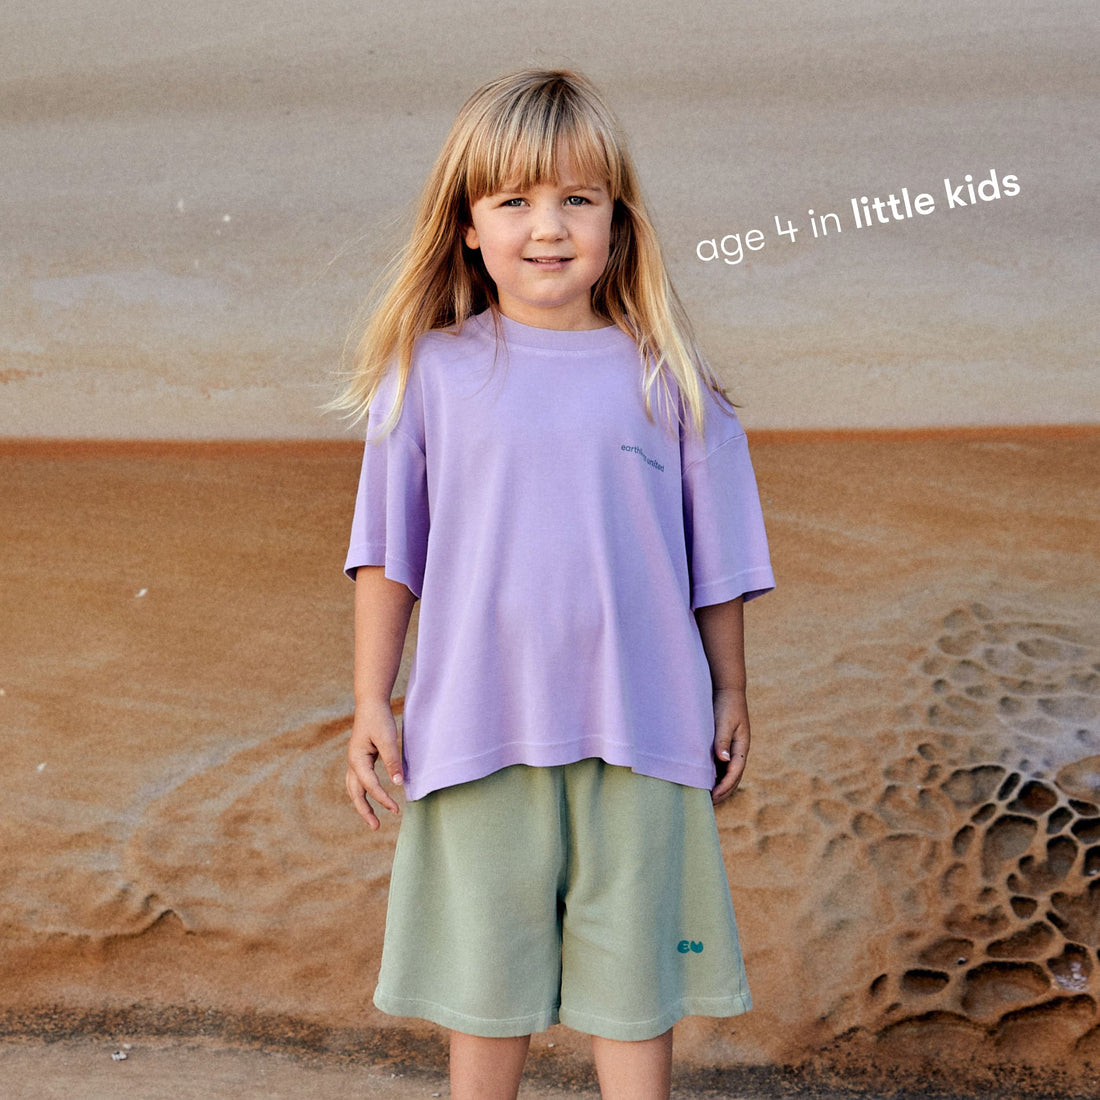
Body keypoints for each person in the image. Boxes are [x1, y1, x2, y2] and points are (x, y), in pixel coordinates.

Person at [337, 68, 774, 1100]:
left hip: (642, 730)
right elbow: (388, 556)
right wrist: (368, 699)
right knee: (486, 1002)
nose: (548, 226)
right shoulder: (427, 373)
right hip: (477, 730)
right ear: (467, 227)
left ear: (617, 224)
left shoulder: (666, 374)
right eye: (515, 201)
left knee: (634, 1002)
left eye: (578, 199)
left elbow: (715, 563)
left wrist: (730, 690)